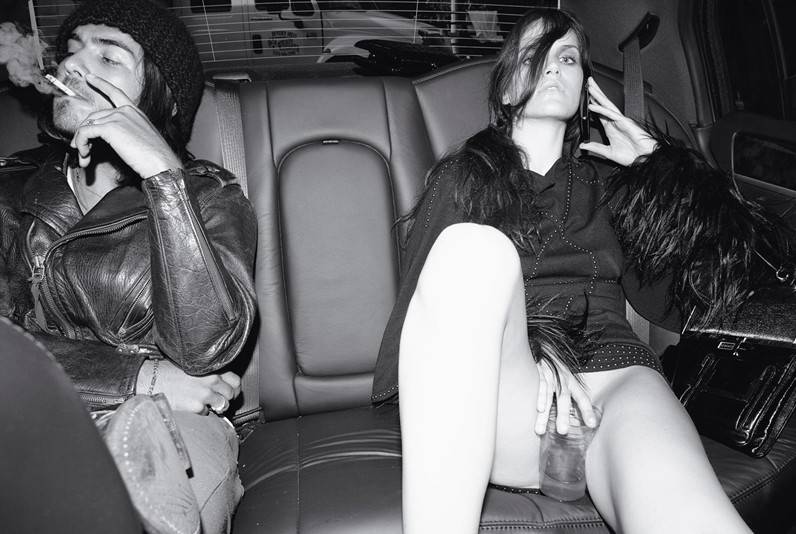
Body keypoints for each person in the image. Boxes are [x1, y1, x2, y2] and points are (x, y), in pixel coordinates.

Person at [370, 8, 791, 534]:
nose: (552, 66)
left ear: (584, 89)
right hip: (515, 399)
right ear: (507, 89)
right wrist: (538, 348)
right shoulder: (462, 178)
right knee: (472, 249)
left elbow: (711, 296)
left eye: (567, 58)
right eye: (535, 55)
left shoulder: (614, 187)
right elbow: (419, 331)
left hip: (620, 387)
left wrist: (661, 171)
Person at [0, 1, 256, 533]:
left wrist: (164, 177)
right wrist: (139, 376)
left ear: (160, 96)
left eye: (108, 57)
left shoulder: (208, 195)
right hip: (24, 414)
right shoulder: (9, 189)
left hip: (174, 423)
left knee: (157, 482)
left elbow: (207, 350)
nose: (73, 65)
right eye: (71, 52)